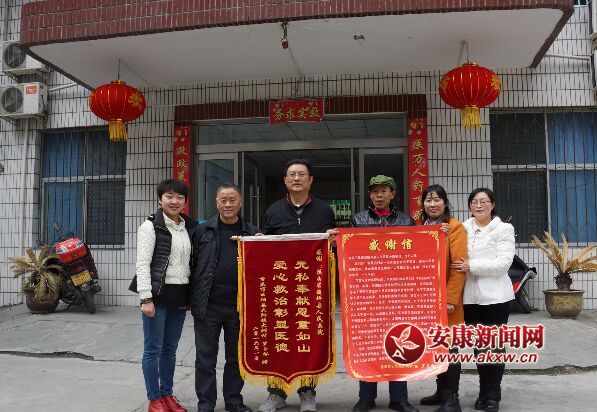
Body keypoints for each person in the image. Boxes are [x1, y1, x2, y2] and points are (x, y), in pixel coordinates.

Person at [258, 159, 335, 412]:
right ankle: (276, 393)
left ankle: (307, 392)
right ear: (285, 180)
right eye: (292, 174)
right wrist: (259, 242)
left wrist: (333, 243)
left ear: (310, 180)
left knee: (308, 337)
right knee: (279, 336)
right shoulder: (273, 210)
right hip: (280, 287)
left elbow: (330, 249)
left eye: (302, 174)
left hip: (311, 287)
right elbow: (266, 246)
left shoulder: (324, 210)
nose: (297, 178)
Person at [350, 175, 418, 412]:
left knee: (398, 343)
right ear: (370, 194)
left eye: (384, 191)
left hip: (397, 293)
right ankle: (366, 397)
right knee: (368, 345)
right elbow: (351, 255)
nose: (379, 195)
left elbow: (416, 254)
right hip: (367, 293)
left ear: (392, 194)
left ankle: (399, 398)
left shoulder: (406, 221)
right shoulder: (358, 220)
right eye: (375, 191)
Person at [191, 183, 258, 412]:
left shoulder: (252, 233)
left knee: (236, 357)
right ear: (216, 202)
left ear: (240, 203)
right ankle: (206, 403)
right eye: (223, 200)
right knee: (205, 358)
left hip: (240, 307)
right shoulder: (202, 231)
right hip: (208, 305)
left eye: (232, 200)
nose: (228, 204)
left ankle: (233, 400)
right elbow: (192, 264)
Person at [132, 179, 197, 412]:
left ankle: (167, 394)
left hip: (179, 296)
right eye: (169, 196)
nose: (174, 201)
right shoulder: (150, 227)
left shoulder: (188, 226)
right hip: (157, 296)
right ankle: (154, 399)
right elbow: (142, 264)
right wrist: (146, 298)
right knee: (153, 349)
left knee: (170, 349)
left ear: (185, 201)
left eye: (179, 197)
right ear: (160, 200)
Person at [451, 188, 515, 412]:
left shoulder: (503, 228)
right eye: (474, 202)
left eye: (483, 201)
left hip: (496, 297)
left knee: (494, 347)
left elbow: (503, 263)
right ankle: (482, 391)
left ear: (492, 204)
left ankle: (493, 393)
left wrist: (471, 266)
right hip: (470, 297)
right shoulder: (463, 227)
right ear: (470, 206)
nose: (478, 206)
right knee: (479, 346)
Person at [419, 185, 467, 412]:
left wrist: (450, 299)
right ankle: (441, 391)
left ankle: (452, 398)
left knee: (450, 349)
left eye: (437, 199)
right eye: (428, 200)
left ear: (445, 203)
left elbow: (458, 267)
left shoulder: (454, 227)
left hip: (447, 303)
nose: (432, 204)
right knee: (436, 347)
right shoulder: (420, 228)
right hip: (426, 301)